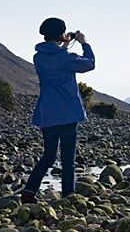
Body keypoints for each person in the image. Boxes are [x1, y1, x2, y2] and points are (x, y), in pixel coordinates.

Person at [21, 17, 95, 203]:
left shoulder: (38, 57)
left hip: (47, 113)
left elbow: (56, 60)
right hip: (68, 113)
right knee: (68, 158)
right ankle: (68, 196)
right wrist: (84, 43)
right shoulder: (66, 58)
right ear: (61, 34)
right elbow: (89, 63)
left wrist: (64, 44)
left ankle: (29, 192)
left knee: (48, 155)